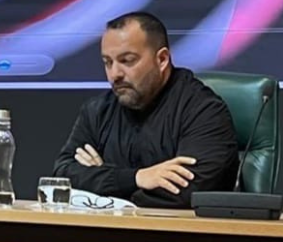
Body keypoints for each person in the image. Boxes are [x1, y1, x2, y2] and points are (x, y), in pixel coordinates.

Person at [53, 12, 239, 208]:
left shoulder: (203, 111)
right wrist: (137, 178)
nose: (114, 74)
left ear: (162, 59)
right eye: (108, 62)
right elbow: (62, 178)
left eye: (127, 60)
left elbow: (187, 194)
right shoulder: (98, 111)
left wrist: (103, 184)